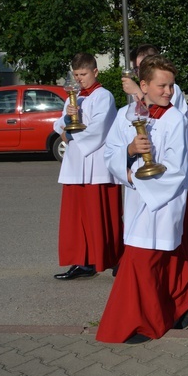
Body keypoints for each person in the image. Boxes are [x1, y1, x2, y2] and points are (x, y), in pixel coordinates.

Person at [98, 55, 188, 344]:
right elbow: (109, 153)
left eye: (171, 86)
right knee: (164, 261)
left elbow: (176, 169)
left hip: (162, 202)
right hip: (135, 200)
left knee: (140, 263)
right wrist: (130, 151)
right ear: (143, 85)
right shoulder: (125, 115)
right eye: (162, 86)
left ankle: (139, 322)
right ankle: (184, 300)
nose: (168, 92)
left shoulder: (174, 120)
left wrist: (135, 178)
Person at [123, 44, 188, 263]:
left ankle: (181, 258)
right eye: (137, 68)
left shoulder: (169, 89)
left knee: (174, 221)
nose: (139, 70)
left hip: (171, 163)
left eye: (142, 66)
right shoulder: (144, 87)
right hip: (146, 163)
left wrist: (137, 92)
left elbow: (164, 112)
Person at [53, 53, 121, 280]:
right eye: (76, 75)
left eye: (83, 74)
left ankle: (106, 257)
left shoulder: (104, 96)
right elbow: (60, 122)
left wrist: (71, 136)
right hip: (75, 164)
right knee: (77, 217)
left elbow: (100, 129)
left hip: (96, 163)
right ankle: (81, 261)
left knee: (98, 215)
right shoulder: (75, 96)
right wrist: (67, 122)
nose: (79, 79)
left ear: (95, 72)